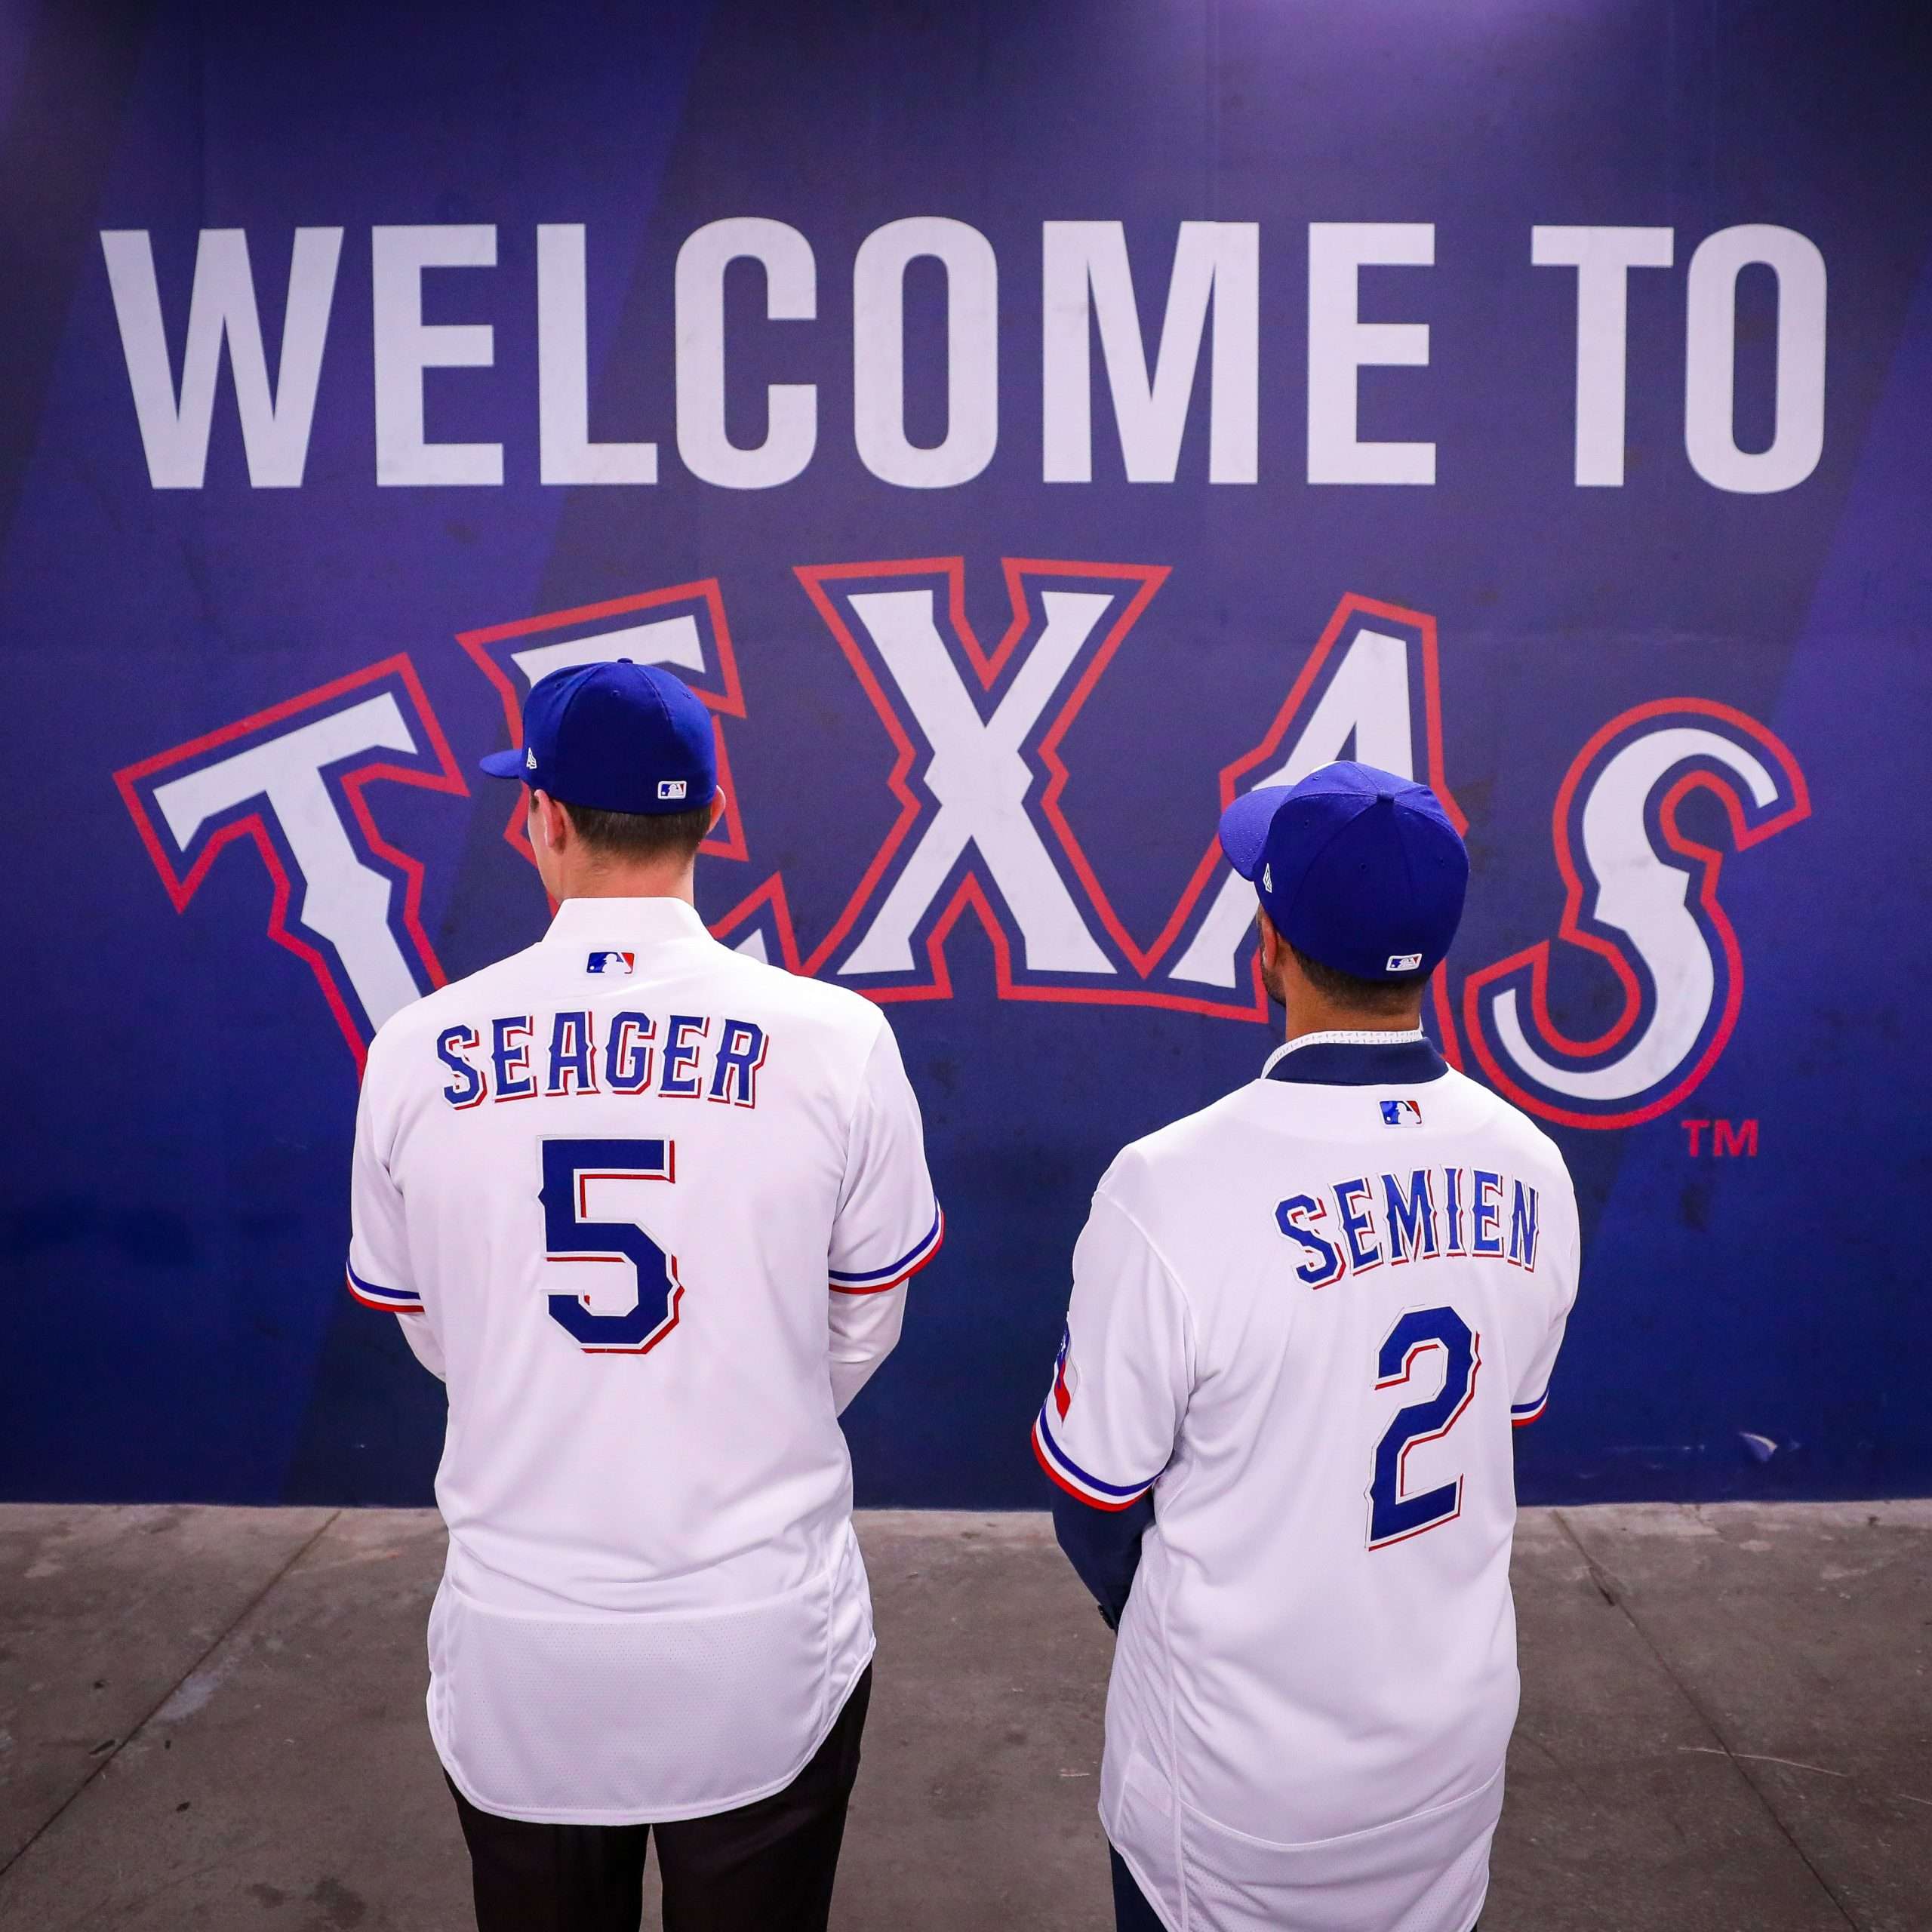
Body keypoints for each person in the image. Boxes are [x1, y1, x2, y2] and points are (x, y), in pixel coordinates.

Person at [347, 660, 942, 1932]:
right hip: (758, 1636)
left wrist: (558, 1397)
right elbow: (863, 1322)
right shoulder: (836, 1040)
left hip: (524, 1645)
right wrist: (739, 1397)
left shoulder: (419, 1046)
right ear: (713, 818)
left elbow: (432, 1331)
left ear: (541, 819)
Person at [1032, 762, 1579, 1932]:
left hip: (1236, 1794)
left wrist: (1196, 1624)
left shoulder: (1166, 1187)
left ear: (1267, 944)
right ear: (1437, 952)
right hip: (1446, 1757)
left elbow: (1095, 1504)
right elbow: (1502, 1436)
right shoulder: (1533, 1163)